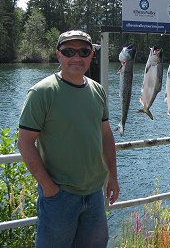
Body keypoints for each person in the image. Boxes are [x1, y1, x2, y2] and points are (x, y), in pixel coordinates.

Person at [17, 30, 120, 248]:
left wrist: (112, 176)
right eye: (69, 51)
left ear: (92, 55)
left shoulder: (97, 90)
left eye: (83, 51)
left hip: (94, 195)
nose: (77, 57)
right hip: (59, 198)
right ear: (58, 55)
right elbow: (25, 143)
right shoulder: (41, 92)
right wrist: (49, 188)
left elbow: (106, 135)